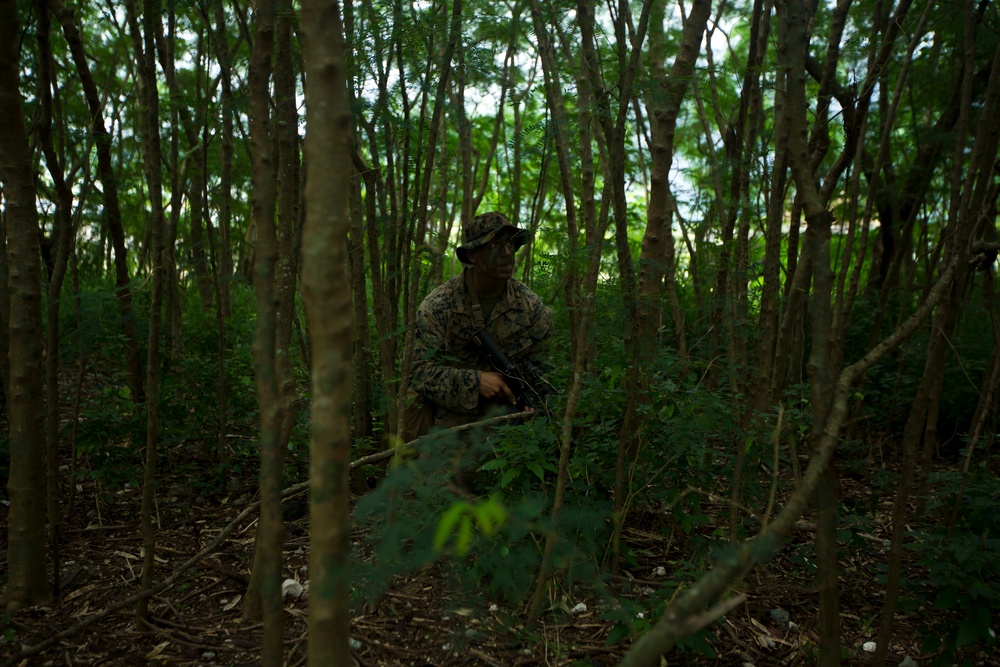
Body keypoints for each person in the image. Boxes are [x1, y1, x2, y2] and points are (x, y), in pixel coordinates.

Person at [408, 211, 554, 438]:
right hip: (453, 419)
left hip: (512, 416)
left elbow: (544, 366)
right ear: (473, 254)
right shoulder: (439, 306)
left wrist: (532, 401)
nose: (507, 253)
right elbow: (419, 372)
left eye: (510, 243)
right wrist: (476, 383)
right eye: (495, 245)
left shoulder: (529, 305)